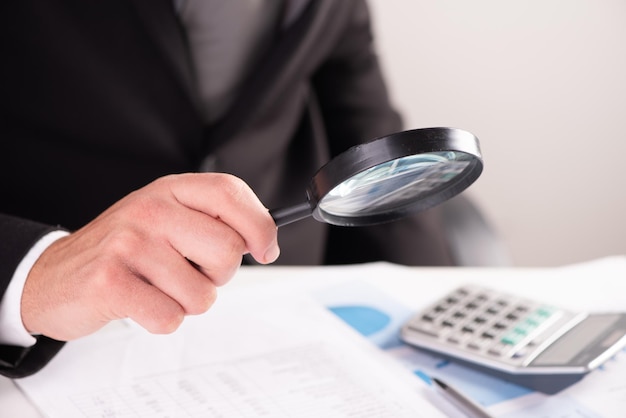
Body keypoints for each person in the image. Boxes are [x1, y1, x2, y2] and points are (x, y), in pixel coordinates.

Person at [0, 0, 455, 378]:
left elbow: (354, 105)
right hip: (64, 336)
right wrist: (36, 274)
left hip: (290, 312)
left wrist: (433, 314)